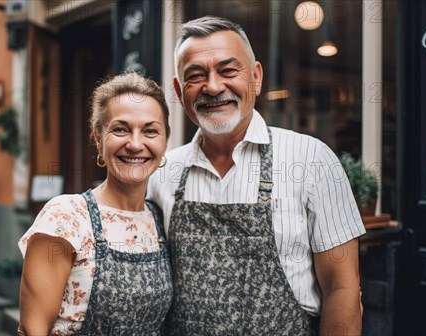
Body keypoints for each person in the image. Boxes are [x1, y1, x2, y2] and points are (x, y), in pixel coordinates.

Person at [147, 16, 365, 335]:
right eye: (196, 76)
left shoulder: (312, 159)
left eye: (228, 70)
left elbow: (342, 289)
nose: (213, 86)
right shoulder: (161, 173)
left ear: (256, 77)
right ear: (180, 91)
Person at [18, 72, 172, 335]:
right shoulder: (66, 217)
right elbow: (32, 329)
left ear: (164, 141)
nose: (135, 144)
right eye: (120, 129)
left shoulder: (158, 218)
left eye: (150, 131)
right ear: (99, 139)